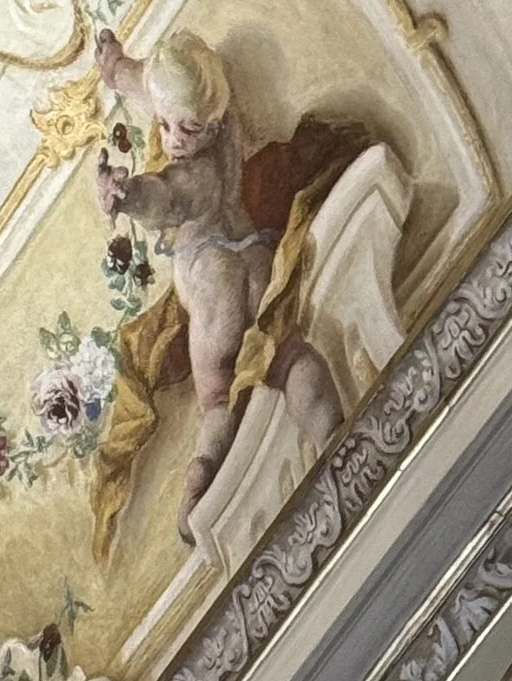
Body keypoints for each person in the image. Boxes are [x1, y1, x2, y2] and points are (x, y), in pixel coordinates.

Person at [92, 26, 343, 535]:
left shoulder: (191, 175)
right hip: (255, 257)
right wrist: (116, 68)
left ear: (208, 125)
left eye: (186, 130)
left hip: (213, 282)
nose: (172, 140)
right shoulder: (219, 117)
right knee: (288, 354)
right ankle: (334, 438)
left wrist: (125, 196)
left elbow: (165, 197)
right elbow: (153, 88)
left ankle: (198, 485)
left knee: (216, 398)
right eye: (165, 126)